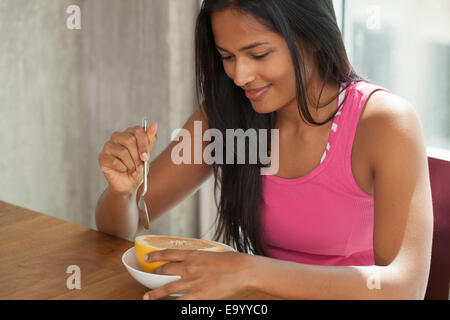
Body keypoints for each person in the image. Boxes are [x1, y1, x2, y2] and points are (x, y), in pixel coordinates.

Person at [95, 0, 433, 300]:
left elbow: (406, 288)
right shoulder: (226, 116)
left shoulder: (384, 124)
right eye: (227, 56)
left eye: (259, 54)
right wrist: (122, 194)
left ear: (313, 37)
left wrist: (248, 271)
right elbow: (125, 227)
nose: (240, 76)